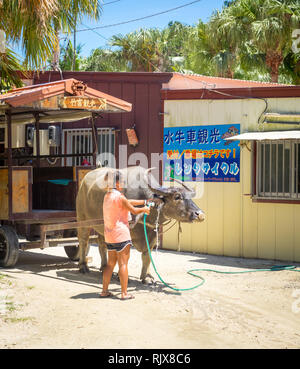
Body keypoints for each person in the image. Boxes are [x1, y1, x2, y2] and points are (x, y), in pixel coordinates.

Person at [100, 170, 150, 300]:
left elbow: (128, 202)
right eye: (122, 181)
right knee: (123, 264)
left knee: (110, 264)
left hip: (109, 236)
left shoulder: (107, 196)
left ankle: (104, 291)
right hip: (121, 236)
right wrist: (144, 209)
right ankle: (124, 293)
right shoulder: (120, 197)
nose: (123, 184)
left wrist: (144, 201)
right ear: (117, 183)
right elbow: (132, 210)